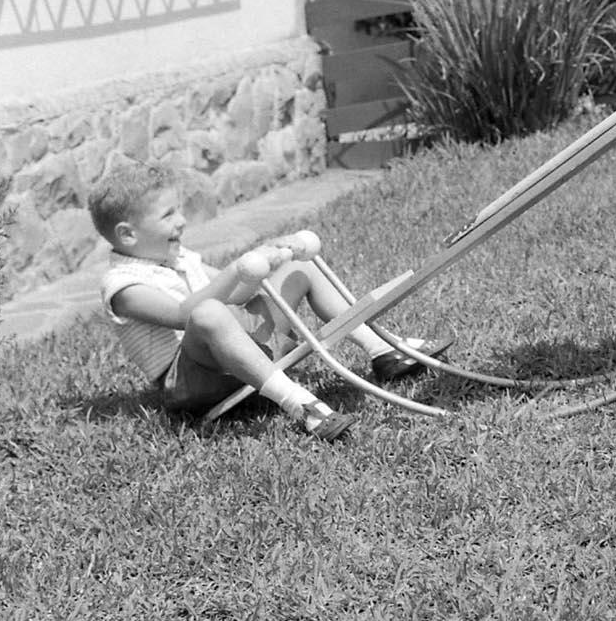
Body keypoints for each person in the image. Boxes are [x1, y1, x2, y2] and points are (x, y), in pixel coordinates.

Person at [91, 161, 451, 439]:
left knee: (298, 268)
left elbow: (240, 289)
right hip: (192, 383)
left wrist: (269, 258)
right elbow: (186, 315)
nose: (182, 221)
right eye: (168, 214)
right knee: (207, 313)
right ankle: (301, 405)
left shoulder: (180, 257)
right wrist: (237, 269)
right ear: (128, 233)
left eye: (178, 210)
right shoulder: (122, 286)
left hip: (236, 354)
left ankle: (383, 351)